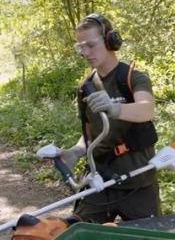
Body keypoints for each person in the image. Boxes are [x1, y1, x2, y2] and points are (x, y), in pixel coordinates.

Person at [58, 13, 161, 224]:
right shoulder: (84, 87)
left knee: (150, 238)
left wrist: (115, 108)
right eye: (80, 47)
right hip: (99, 180)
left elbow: (146, 110)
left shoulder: (133, 77)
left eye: (91, 45)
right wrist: (76, 152)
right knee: (77, 232)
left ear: (110, 40)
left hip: (139, 183)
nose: (86, 52)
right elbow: (90, 135)